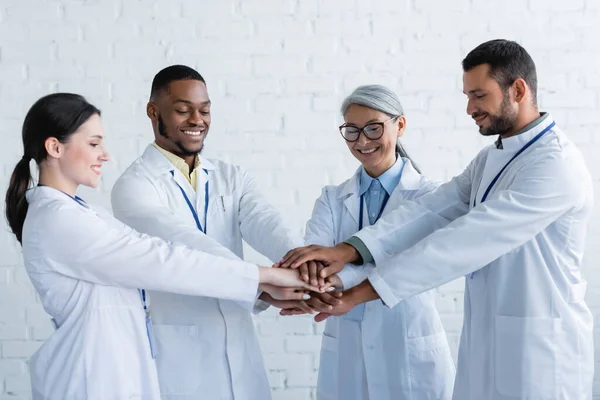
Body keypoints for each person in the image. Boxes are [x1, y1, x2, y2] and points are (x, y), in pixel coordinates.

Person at [279, 39, 594, 399]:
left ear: (518, 89)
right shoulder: (491, 159)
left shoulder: (555, 166)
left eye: (478, 95)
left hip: (541, 352)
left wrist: (360, 293)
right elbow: (431, 210)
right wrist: (350, 250)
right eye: (467, 96)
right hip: (489, 340)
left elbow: (465, 240)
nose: (469, 108)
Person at [4, 93, 319, 400]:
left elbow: (157, 250)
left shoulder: (83, 213)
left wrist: (268, 281)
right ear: (55, 147)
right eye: (94, 143)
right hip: (88, 379)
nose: (105, 154)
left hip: (110, 376)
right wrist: (267, 277)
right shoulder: (58, 219)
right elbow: (161, 261)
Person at [110, 65, 337, 399]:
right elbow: (185, 245)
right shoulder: (133, 187)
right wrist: (264, 285)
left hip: (241, 353)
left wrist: (304, 267)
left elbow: (266, 222)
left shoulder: (232, 177)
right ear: (153, 111)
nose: (197, 120)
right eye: (183, 110)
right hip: (177, 361)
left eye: (204, 110)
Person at [285, 84, 455, 400]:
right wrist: (313, 282)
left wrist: (336, 278)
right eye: (352, 130)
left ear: (400, 125)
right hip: (348, 348)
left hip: (408, 347)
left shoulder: (431, 197)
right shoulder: (332, 199)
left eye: (374, 128)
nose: (362, 141)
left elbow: (409, 264)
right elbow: (315, 264)